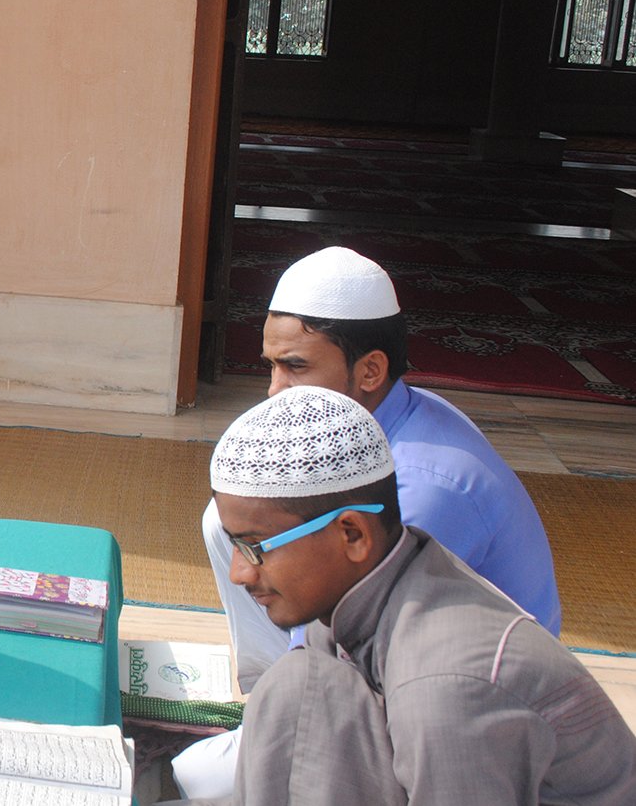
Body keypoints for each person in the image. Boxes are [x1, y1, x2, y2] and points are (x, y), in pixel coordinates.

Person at [173, 245, 562, 798]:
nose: (274, 390)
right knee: (232, 519)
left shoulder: (421, 490)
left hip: (472, 712)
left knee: (197, 778)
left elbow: (368, 646)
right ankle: (269, 700)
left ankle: (279, 718)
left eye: (296, 367)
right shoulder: (387, 418)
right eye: (272, 366)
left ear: (371, 370)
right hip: (394, 661)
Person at [160, 385, 636, 806]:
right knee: (293, 687)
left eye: (255, 547)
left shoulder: (446, 688)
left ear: (352, 534)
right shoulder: (378, 585)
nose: (239, 573)